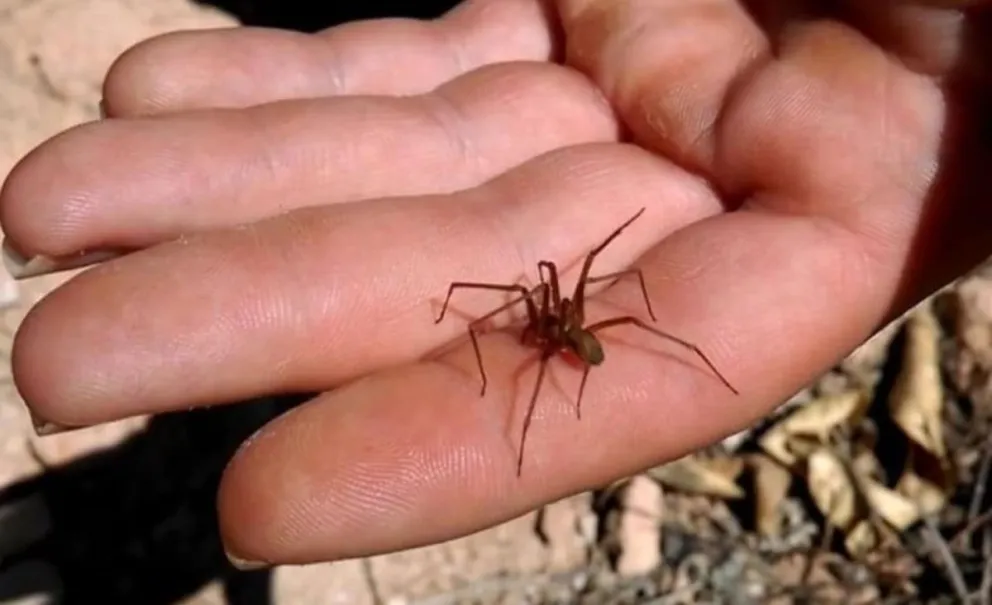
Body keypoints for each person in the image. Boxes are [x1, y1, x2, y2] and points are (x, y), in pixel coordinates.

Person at [1, 0, 989, 570]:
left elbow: (563, 296)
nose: (541, 309)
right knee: (532, 295)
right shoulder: (539, 321)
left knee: (586, 294)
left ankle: (647, 362)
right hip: (564, 325)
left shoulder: (568, 324)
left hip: (584, 331)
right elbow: (517, 305)